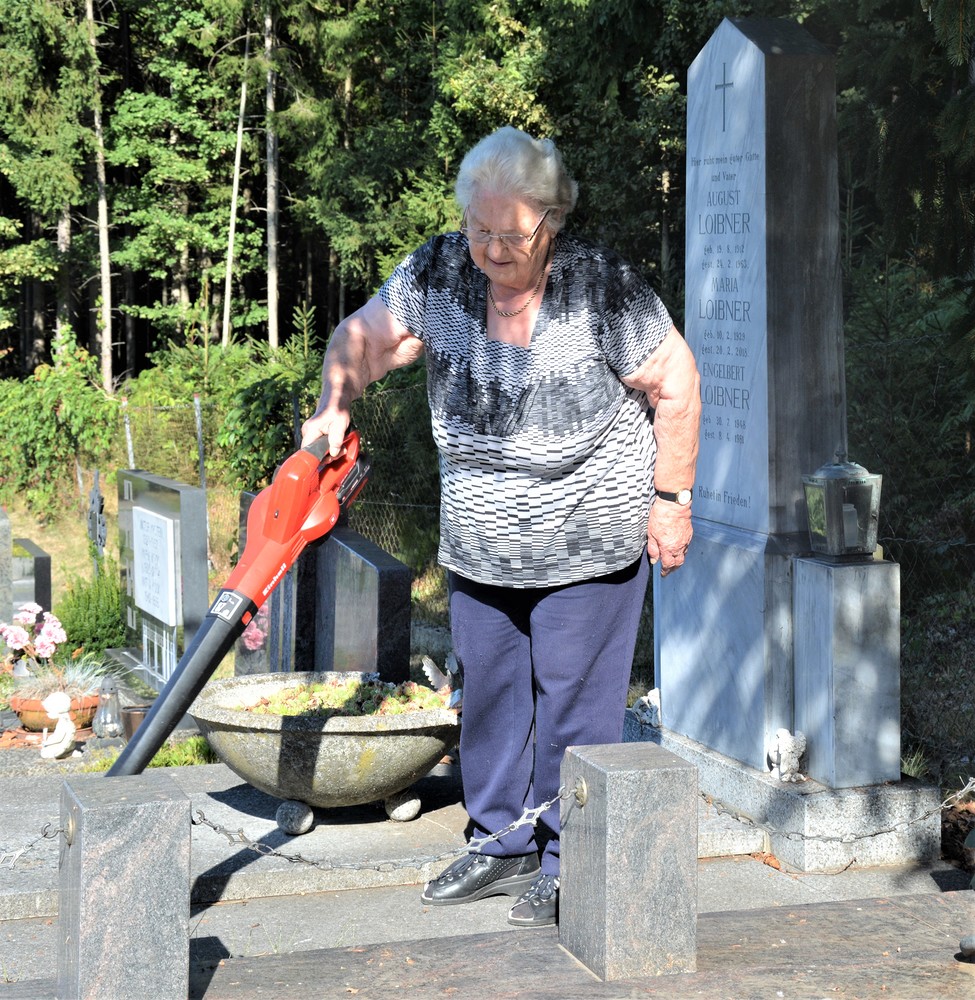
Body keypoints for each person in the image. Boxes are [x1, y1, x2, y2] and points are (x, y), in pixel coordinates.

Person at [301, 126, 700, 927]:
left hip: (585, 540)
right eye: (477, 228)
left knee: (574, 710)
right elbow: (363, 338)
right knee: (489, 700)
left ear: (551, 218)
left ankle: (570, 860)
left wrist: (670, 499)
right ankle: (499, 843)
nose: (489, 249)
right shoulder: (439, 270)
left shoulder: (601, 289)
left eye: (510, 234)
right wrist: (332, 403)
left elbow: (677, 382)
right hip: (479, 544)